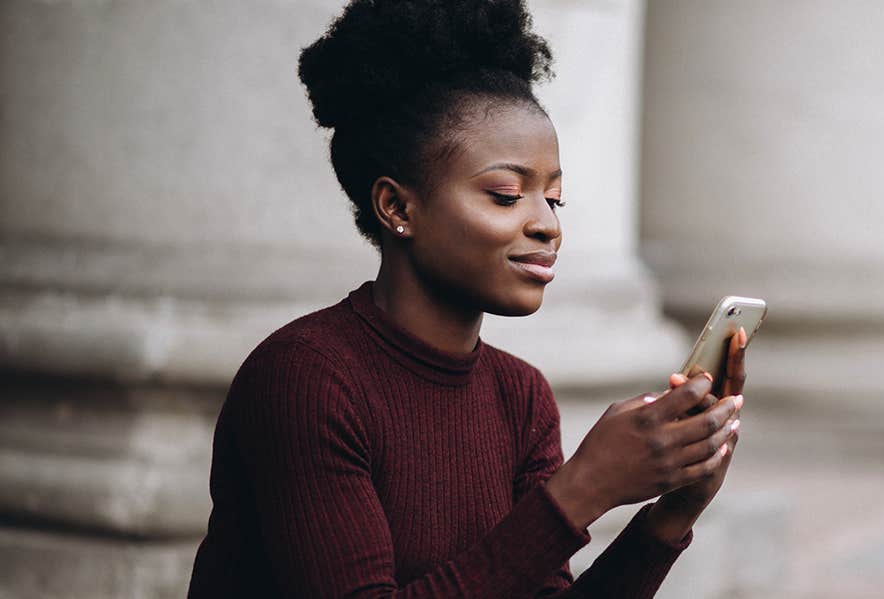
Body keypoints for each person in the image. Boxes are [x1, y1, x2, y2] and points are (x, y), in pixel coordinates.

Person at [187, 1, 746, 597]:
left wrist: (670, 515)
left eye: (553, 199)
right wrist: (585, 487)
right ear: (398, 207)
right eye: (506, 195)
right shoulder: (306, 378)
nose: (547, 225)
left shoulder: (520, 396)